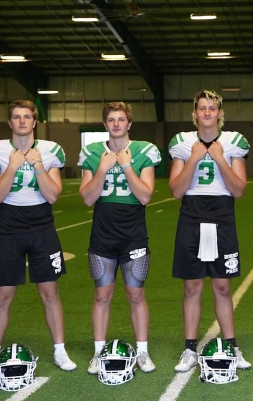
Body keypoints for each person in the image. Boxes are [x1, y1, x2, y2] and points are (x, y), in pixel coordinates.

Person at [0, 100, 77, 377]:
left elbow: (54, 195)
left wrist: (38, 166)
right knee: (2, 296)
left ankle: (60, 350)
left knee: (50, 294)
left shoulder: (50, 150)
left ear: (34, 122)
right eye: (16, 117)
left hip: (43, 227)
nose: (22, 121)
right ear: (9, 123)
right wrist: (12, 166)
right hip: (9, 228)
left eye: (27, 117)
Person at [168, 90, 252, 373]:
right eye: (202, 108)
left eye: (211, 108)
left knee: (222, 286)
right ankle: (190, 349)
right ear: (195, 114)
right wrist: (193, 159)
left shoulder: (232, 143)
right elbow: (176, 190)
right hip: (191, 214)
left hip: (222, 216)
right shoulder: (182, 143)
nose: (206, 113)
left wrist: (219, 159)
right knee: (192, 287)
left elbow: (239, 190)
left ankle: (232, 346)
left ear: (219, 113)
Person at [78, 101, 161, 374]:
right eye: (111, 119)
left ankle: (143, 352)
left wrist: (126, 165)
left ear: (129, 123)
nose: (116, 124)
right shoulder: (91, 153)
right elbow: (88, 198)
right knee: (102, 295)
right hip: (102, 235)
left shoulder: (143, 151)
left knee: (136, 294)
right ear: (105, 124)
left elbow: (146, 196)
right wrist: (102, 169)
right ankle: (98, 352)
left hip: (134, 235)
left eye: (121, 119)